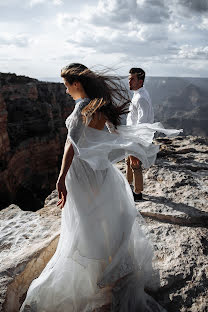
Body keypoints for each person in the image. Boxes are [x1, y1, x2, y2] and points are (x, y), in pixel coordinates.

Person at [20, 63, 181, 312]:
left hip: (81, 173)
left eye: (66, 86)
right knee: (104, 219)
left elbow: (70, 146)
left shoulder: (81, 110)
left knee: (84, 223)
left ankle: (93, 272)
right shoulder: (100, 106)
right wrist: (132, 145)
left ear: (76, 84)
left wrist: (61, 177)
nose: (65, 91)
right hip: (101, 171)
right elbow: (114, 133)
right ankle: (111, 267)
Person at [126, 68, 154, 201]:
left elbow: (142, 123)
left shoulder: (141, 98)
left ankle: (137, 194)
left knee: (135, 164)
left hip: (136, 137)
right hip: (131, 135)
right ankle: (128, 187)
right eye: (129, 78)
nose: (129, 81)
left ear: (140, 81)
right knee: (128, 161)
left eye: (132, 79)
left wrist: (136, 145)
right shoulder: (138, 94)